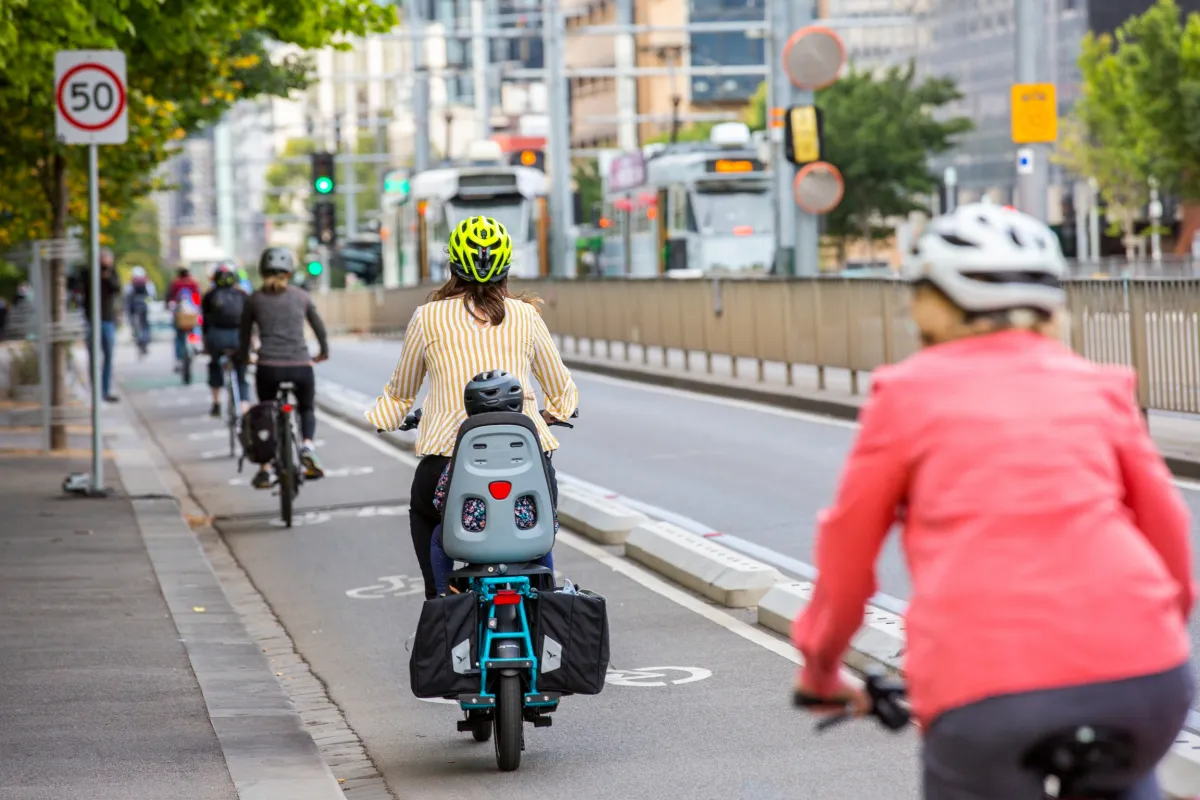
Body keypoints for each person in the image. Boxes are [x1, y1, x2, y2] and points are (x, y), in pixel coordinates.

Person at [790, 203, 1194, 799]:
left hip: (986, 690)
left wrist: (821, 668)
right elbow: (1171, 541)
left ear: (930, 300)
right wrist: (1142, 635)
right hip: (1142, 679)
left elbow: (847, 557)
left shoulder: (906, 395)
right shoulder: (1098, 386)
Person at [365, 215, 579, 601]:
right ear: (507, 267)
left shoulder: (427, 317)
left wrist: (385, 418)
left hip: (449, 462)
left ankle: (440, 600)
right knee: (537, 528)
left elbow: (401, 392)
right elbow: (563, 391)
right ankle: (544, 601)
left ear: (452, 266)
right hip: (526, 461)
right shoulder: (526, 316)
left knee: (428, 516)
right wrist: (551, 414)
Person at [427, 371, 561, 596]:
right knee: (545, 537)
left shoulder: (463, 454)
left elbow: (441, 499)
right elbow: (550, 499)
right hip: (527, 534)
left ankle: (442, 596)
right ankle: (547, 594)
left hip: (470, 538)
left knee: (437, 538)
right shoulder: (533, 452)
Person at [238, 247, 329, 489]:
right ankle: (307, 446)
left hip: (268, 367)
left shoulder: (254, 299)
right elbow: (319, 327)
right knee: (306, 408)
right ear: (289, 273)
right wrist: (323, 352)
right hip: (300, 366)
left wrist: (245, 356)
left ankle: (265, 469)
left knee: (267, 412)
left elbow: (245, 335)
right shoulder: (301, 297)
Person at [201, 263, 250, 418]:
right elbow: (249, 322)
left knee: (215, 366)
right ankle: (244, 407)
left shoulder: (209, 296)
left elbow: (205, 323)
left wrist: (205, 343)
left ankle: (216, 403)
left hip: (216, 337)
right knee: (241, 374)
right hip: (238, 338)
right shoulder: (243, 295)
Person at [80, 247, 122, 403]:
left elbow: (116, 288)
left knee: (108, 355)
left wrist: (108, 273)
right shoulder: (90, 272)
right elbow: (84, 286)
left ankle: (105, 390)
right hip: (92, 319)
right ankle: (95, 390)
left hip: (107, 319)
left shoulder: (112, 273)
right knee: (93, 356)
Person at [166, 266, 202, 372]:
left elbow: (169, 298)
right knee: (195, 329)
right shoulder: (194, 283)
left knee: (178, 338)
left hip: (179, 315)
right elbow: (198, 298)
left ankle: (178, 360)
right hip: (192, 314)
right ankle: (196, 344)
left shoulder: (175, 284)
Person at [124, 266, 156, 355]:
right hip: (144, 307)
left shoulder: (130, 284)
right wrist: (146, 302)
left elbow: (126, 296)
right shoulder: (148, 283)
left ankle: (138, 339)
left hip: (133, 308)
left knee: (134, 325)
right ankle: (145, 340)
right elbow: (152, 296)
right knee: (145, 325)